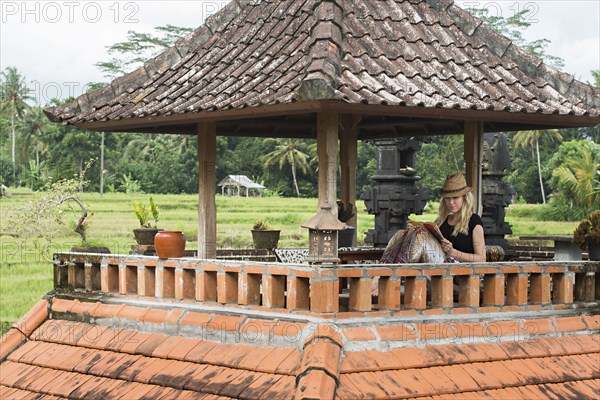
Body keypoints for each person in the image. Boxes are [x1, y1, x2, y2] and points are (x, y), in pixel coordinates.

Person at [435, 173, 486, 263]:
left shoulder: (474, 222)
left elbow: (481, 259)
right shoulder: (440, 222)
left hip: (465, 275)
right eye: (447, 198)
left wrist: (454, 253)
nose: (451, 202)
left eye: (455, 197)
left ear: (465, 197)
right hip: (439, 273)